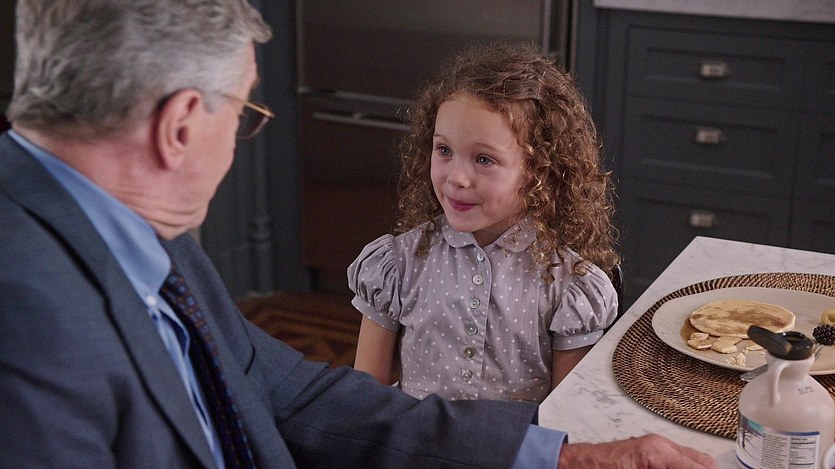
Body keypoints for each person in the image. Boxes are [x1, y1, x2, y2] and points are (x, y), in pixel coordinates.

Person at [0, 1, 716, 468]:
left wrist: (562, 455)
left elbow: (300, 398)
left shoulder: (148, 239)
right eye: (244, 114)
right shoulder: (27, 326)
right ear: (181, 126)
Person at [349, 42, 619, 402]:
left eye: (484, 159)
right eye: (444, 150)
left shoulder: (568, 286)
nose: (457, 178)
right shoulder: (398, 265)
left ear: (540, 170)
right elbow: (365, 401)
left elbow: (564, 416)